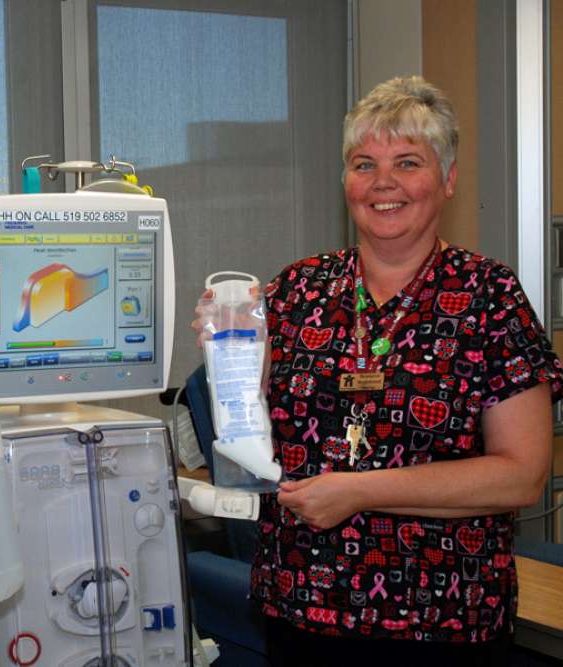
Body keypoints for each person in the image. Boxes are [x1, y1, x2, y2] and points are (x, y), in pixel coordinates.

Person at [194, 76, 563, 666]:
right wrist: (230, 357)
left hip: (443, 622)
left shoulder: (489, 295)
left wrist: (359, 492)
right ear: (345, 182)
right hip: (302, 609)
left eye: (408, 162)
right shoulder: (297, 289)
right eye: (364, 164)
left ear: (447, 180)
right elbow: (249, 436)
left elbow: (520, 476)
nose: (383, 182)